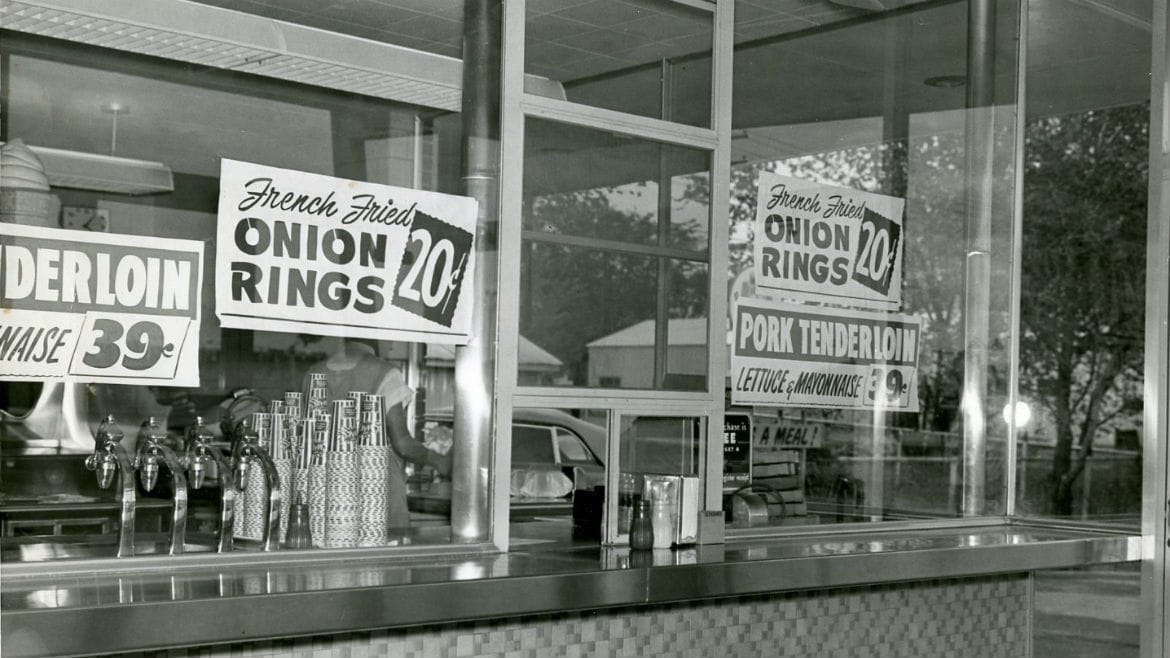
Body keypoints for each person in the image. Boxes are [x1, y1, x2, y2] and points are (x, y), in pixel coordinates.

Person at [303, 337, 451, 529]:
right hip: (374, 485)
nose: (391, 346)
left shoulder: (313, 372)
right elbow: (403, 444)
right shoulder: (385, 372)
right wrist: (440, 461)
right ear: (379, 337)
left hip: (321, 483)